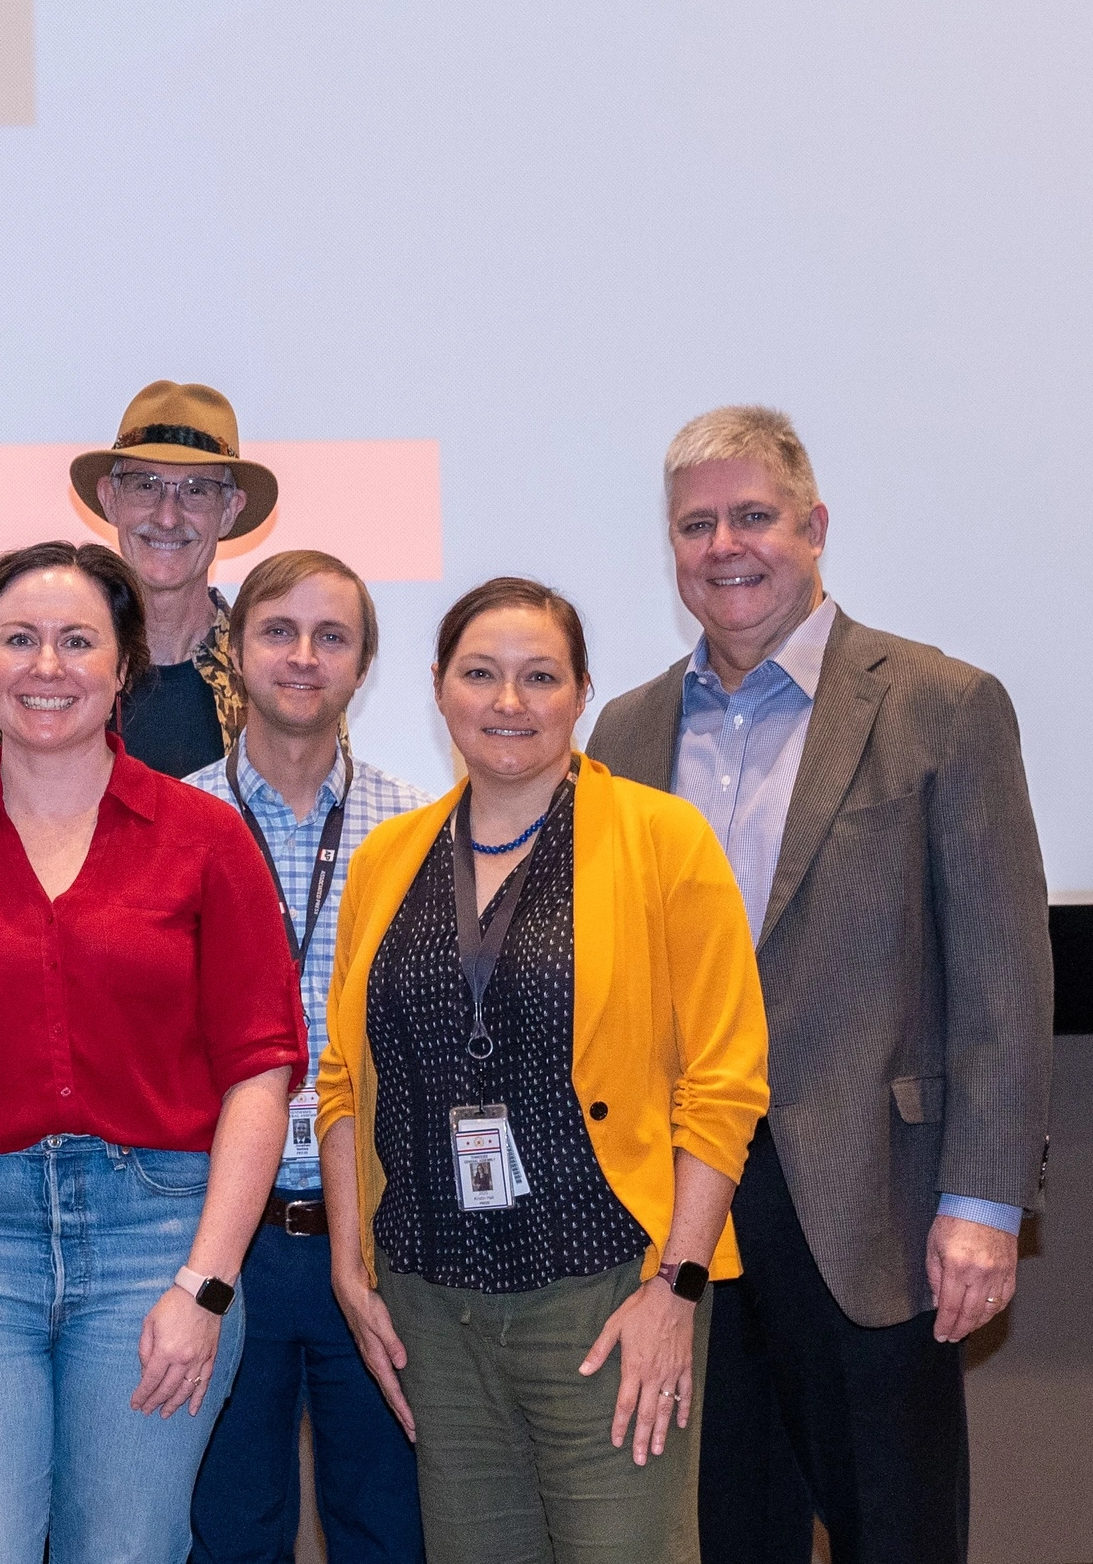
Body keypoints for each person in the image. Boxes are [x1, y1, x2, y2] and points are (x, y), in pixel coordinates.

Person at [583, 408, 1053, 1564]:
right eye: (696, 524)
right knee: (719, 1528)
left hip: (872, 1208)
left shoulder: (941, 704)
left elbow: (1003, 973)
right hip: (683, 1208)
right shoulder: (624, 730)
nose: (724, 545)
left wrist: (984, 1201)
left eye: (753, 515)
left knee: (895, 1530)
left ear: (814, 526)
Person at [0, 540, 299, 1564]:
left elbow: (260, 1071)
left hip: (156, 1238)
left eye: (78, 639)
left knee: (128, 1552)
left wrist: (203, 1285)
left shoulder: (206, 837)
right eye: (20, 638)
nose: (47, 664)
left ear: (123, 665)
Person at [315, 578, 769, 1564]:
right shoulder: (387, 857)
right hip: (432, 1302)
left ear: (580, 692)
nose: (507, 701)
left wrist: (676, 1289)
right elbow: (344, 1078)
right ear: (437, 687)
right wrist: (352, 1266)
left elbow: (724, 1078)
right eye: (480, 673)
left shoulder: (662, 840)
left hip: (607, 1295)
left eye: (538, 676)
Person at [178, 551, 431, 1564]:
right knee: (227, 1533)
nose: (302, 655)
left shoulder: (418, 830)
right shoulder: (167, 825)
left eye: (332, 636)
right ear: (234, 651)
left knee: (392, 1529)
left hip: (372, 1238)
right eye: (278, 630)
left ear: (362, 663)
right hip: (215, 1243)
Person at [14, 381, 276, 778]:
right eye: (145, 486)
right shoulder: (51, 672)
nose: (167, 516)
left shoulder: (273, 672)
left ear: (229, 510)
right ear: (110, 498)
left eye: (197, 490)